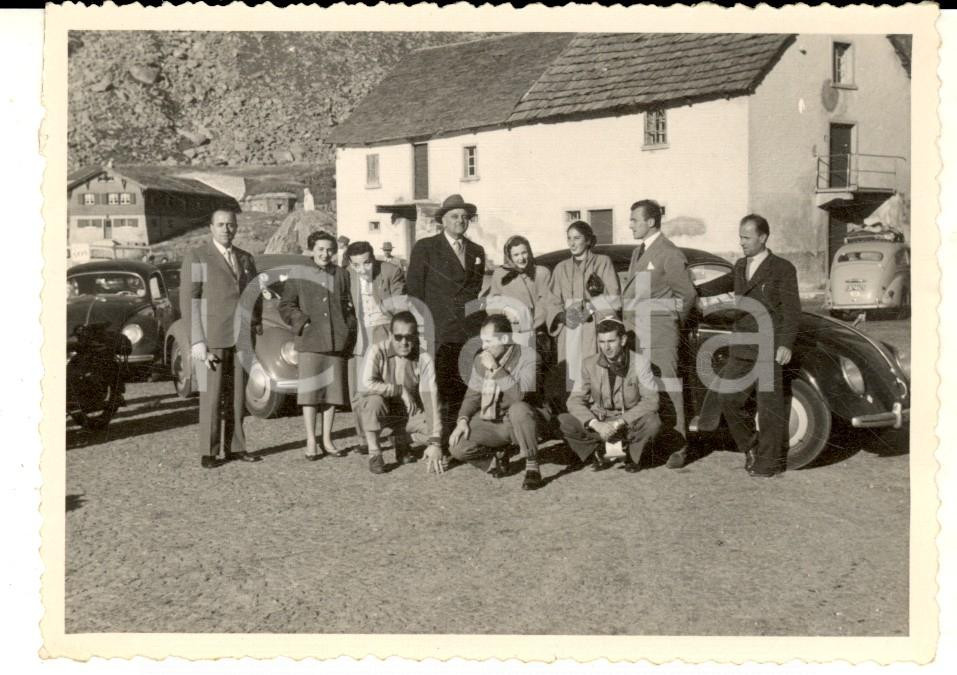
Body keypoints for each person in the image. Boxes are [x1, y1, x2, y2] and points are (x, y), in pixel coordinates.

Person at [719, 214, 801, 478]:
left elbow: (792, 310)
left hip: (769, 345)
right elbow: (720, 284)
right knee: (728, 397)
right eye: (740, 236)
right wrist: (693, 290)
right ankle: (750, 445)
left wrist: (786, 344)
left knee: (769, 408)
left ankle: (768, 464)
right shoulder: (740, 265)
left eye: (746, 237)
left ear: (762, 237)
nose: (741, 242)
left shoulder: (782, 268)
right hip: (742, 344)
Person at [181, 208, 262, 468]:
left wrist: (255, 323)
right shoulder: (197, 257)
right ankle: (209, 451)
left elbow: (253, 293)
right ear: (211, 227)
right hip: (212, 338)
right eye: (221, 224)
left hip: (240, 338)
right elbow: (190, 300)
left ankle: (236, 447)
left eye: (231, 224)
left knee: (238, 397)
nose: (226, 229)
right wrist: (197, 341)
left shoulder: (246, 258)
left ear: (236, 227)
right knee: (211, 396)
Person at [406, 194, 486, 448]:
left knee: (463, 387)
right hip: (438, 332)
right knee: (437, 388)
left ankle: (459, 441)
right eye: (454, 216)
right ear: (443, 221)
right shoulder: (426, 247)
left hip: (466, 333)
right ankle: (434, 439)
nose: (460, 221)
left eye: (464, 217)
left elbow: (474, 293)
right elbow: (414, 292)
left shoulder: (476, 251)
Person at [622, 199, 697, 469]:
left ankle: (680, 447)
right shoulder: (639, 252)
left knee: (669, 387)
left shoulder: (668, 252)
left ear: (650, 221)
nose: (630, 224)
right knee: (647, 389)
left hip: (661, 333)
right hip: (637, 333)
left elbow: (687, 295)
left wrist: (670, 321)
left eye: (634, 220)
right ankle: (657, 443)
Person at [279, 230, 357, 460]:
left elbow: (348, 305)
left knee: (332, 394)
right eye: (321, 249)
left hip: (336, 342)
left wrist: (346, 326)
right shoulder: (299, 273)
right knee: (310, 394)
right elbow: (286, 305)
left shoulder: (342, 274)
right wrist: (302, 322)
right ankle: (311, 440)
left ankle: (327, 439)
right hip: (310, 341)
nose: (326, 253)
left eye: (330, 249)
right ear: (312, 250)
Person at [448, 314, 544, 491]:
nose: (484, 347)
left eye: (489, 341)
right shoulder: (481, 360)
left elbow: (519, 396)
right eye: (482, 341)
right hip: (495, 421)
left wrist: (496, 369)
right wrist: (462, 420)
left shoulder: (529, 357)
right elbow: (472, 396)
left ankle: (532, 464)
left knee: (519, 409)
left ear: (505, 338)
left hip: (523, 423)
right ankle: (496, 457)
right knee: (457, 446)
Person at [559, 319, 660, 472]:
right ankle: (598, 450)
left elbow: (652, 401)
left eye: (611, 341)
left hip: (628, 422)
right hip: (601, 421)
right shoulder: (588, 364)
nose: (606, 347)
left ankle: (632, 454)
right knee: (564, 421)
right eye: (602, 342)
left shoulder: (640, 363)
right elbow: (574, 400)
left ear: (623, 340)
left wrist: (620, 422)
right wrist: (595, 424)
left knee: (652, 422)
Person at [355, 311, 443, 475]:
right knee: (372, 401)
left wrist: (435, 442)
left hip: (409, 414)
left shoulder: (424, 358)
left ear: (416, 336)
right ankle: (375, 453)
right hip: (383, 411)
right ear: (390, 334)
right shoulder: (376, 351)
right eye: (398, 337)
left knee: (441, 432)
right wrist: (399, 390)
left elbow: (431, 398)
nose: (404, 342)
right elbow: (364, 385)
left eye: (409, 337)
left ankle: (401, 440)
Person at [545, 220, 620, 410]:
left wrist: (587, 308)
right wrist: (561, 316)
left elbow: (614, 299)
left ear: (588, 240)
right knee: (569, 377)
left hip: (593, 328)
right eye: (569, 238)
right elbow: (551, 301)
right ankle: (572, 418)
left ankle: (598, 415)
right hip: (569, 331)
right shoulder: (561, 268)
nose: (572, 243)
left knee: (594, 373)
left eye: (577, 238)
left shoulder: (602, 263)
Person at [345, 240, 407, 455]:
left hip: (385, 332)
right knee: (360, 391)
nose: (363, 269)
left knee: (393, 387)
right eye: (357, 265)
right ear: (351, 264)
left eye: (367, 263)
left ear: (374, 258)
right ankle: (365, 439)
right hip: (359, 336)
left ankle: (401, 440)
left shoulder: (391, 271)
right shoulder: (347, 275)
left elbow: (400, 307)